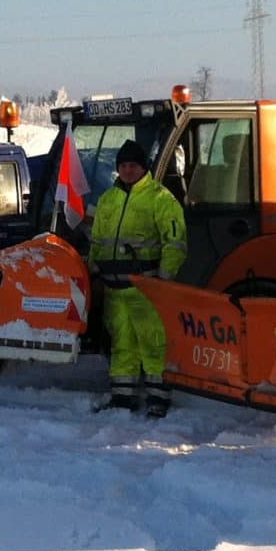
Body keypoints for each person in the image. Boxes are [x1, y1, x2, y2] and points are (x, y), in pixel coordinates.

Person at [88, 139, 186, 416]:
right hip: (113, 287)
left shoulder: (160, 199)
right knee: (122, 342)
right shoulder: (108, 199)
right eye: (123, 165)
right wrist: (93, 268)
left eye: (133, 165)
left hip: (145, 286)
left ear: (143, 168)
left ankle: (158, 397)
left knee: (153, 340)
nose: (128, 170)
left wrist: (164, 278)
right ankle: (123, 396)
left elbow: (175, 242)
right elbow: (97, 240)